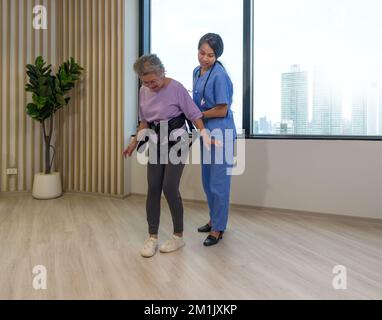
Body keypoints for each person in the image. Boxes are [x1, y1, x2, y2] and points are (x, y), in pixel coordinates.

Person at [124, 54, 214, 257]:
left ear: (162, 72)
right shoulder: (143, 91)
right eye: (145, 82)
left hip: (177, 139)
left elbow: (194, 113)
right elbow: (144, 122)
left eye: (153, 81)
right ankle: (152, 237)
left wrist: (204, 134)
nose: (150, 86)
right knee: (153, 187)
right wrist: (134, 141)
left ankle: (178, 236)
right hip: (155, 140)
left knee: (169, 187)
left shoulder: (176, 88)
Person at [192, 33, 237, 246]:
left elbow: (222, 109)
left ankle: (219, 228)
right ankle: (213, 219)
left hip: (221, 132)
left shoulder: (219, 75)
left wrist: (199, 115)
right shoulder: (196, 72)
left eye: (210, 55)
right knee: (207, 180)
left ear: (217, 56)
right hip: (206, 132)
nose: (205, 58)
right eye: (202, 53)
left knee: (219, 183)